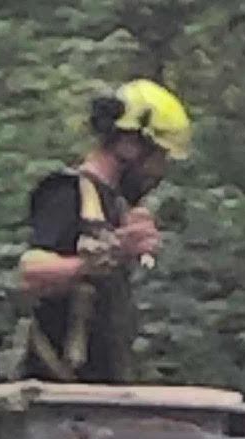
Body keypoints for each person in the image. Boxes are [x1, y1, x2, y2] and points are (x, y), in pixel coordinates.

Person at [16, 78, 192, 384]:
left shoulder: (112, 205)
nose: (159, 172)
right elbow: (31, 273)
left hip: (96, 393)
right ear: (129, 145)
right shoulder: (68, 192)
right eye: (158, 157)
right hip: (58, 394)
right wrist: (108, 256)